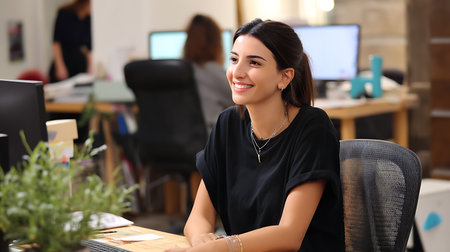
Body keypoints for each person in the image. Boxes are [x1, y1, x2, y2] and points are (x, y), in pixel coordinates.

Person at [166, 19, 344, 252]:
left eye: (254, 63)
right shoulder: (227, 124)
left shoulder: (313, 128)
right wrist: (202, 243)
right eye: (233, 59)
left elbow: (289, 235)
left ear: (285, 77)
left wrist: (221, 248)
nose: (237, 72)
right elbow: (198, 217)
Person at [183, 14, 233, 132]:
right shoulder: (212, 70)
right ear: (215, 43)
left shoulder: (181, 70)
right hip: (209, 140)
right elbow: (240, 100)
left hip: (183, 140)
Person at [49, 0, 92, 83]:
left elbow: (89, 47)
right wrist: (60, 66)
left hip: (79, 65)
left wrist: (91, 69)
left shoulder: (88, 19)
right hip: (64, 60)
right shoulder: (64, 14)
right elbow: (56, 42)